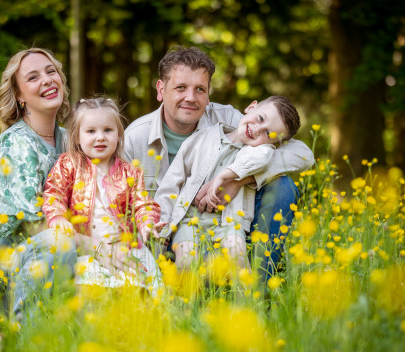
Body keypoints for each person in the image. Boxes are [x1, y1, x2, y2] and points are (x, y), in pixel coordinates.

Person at [124, 46, 314, 282]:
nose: (190, 98)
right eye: (181, 87)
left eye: (200, 89)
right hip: (171, 234)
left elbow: (303, 154)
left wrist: (237, 179)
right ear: (161, 90)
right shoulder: (134, 139)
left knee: (283, 186)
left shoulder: (233, 121)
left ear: (208, 94)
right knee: (185, 264)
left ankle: (260, 283)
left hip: (229, 226)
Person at [0, 48, 77, 316]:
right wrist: (96, 245)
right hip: (3, 268)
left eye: (51, 71)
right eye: (33, 77)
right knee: (59, 242)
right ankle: (24, 327)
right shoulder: (12, 144)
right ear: (19, 96)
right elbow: (34, 225)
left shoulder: (72, 139)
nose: (47, 79)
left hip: (62, 249)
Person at [155, 96, 301, 271]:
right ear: (251, 107)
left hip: (231, 223)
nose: (257, 130)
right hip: (190, 219)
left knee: (238, 259)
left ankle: (253, 289)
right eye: (261, 118)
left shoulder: (259, 153)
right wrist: (162, 228)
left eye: (268, 134)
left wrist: (227, 176)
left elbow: (270, 156)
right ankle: (178, 289)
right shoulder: (203, 137)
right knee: (186, 261)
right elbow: (172, 182)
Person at [42, 97, 165, 294]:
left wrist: (147, 224)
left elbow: (142, 204)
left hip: (123, 247)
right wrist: (57, 217)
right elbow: (54, 194)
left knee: (136, 288)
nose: (100, 137)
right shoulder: (69, 164)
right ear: (77, 137)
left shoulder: (130, 172)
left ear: (119, 135)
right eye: (91, 131)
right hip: (86, 249)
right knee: (90, 289)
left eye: (108, 130)